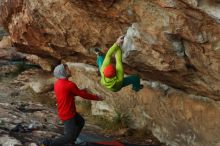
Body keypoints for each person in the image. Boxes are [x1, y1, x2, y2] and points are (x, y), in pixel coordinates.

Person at [40, 64, 104, 146]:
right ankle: (47, 144)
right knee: (68, 137)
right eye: (67, 69)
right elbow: (82, 95)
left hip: (64, 111)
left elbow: (69, 93)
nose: (69, 70)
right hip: (68, 113)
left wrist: (81, 91)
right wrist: (97, 97)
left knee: (81, 122)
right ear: (63, 72)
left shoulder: (57, 83)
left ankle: (71, 142)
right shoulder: (69, 84)